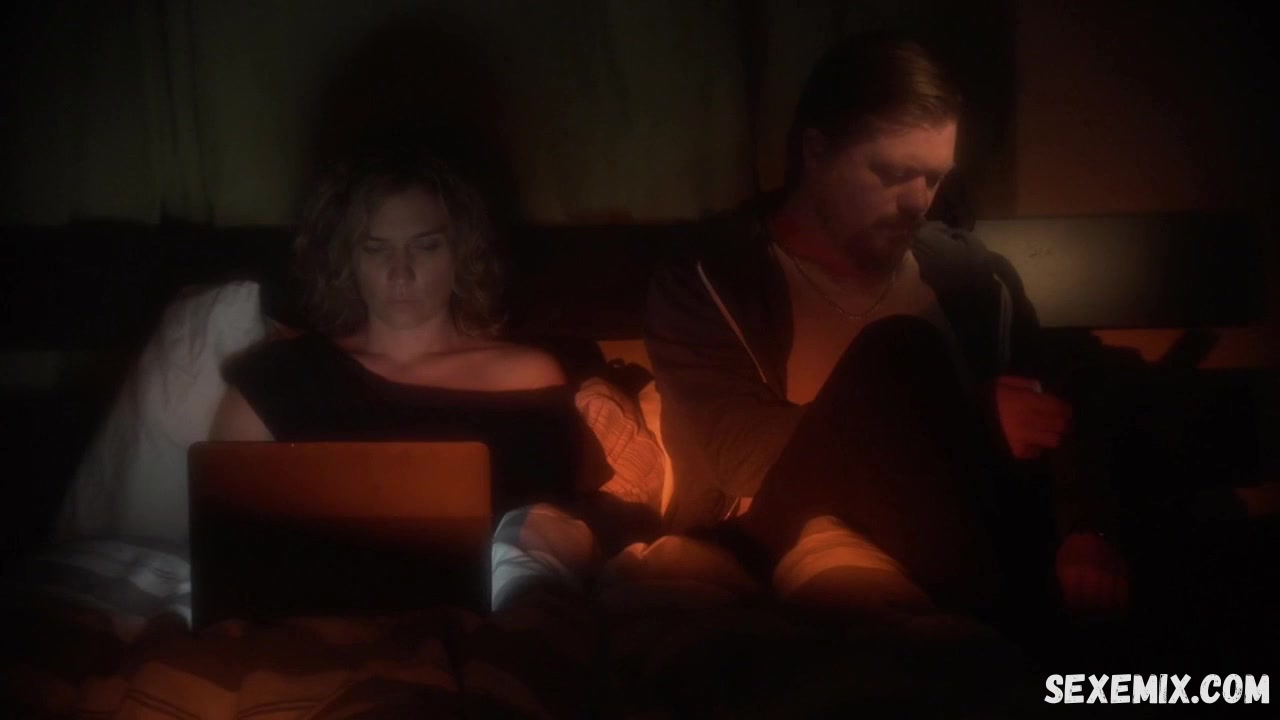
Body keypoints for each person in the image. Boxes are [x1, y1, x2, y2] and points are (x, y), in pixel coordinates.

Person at [643, 33, 1130, 633]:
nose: (917, 203)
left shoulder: (975, 282)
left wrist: (1087, 530)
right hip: (781, 565)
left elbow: (1059, 401)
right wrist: (971, 419)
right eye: (894, 175)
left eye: (934, 179)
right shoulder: (709, 279)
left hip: (970, 559)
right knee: (900, 352)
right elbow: (737, 452)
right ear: (816, 153)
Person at [210, 142, 606, 518]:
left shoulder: (526, 378)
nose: (400, 273)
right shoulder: (280, 378)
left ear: (461, 253)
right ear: (347, 260)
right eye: (376, 248)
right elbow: (225, 531)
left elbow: (552, 534)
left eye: (425, 246)